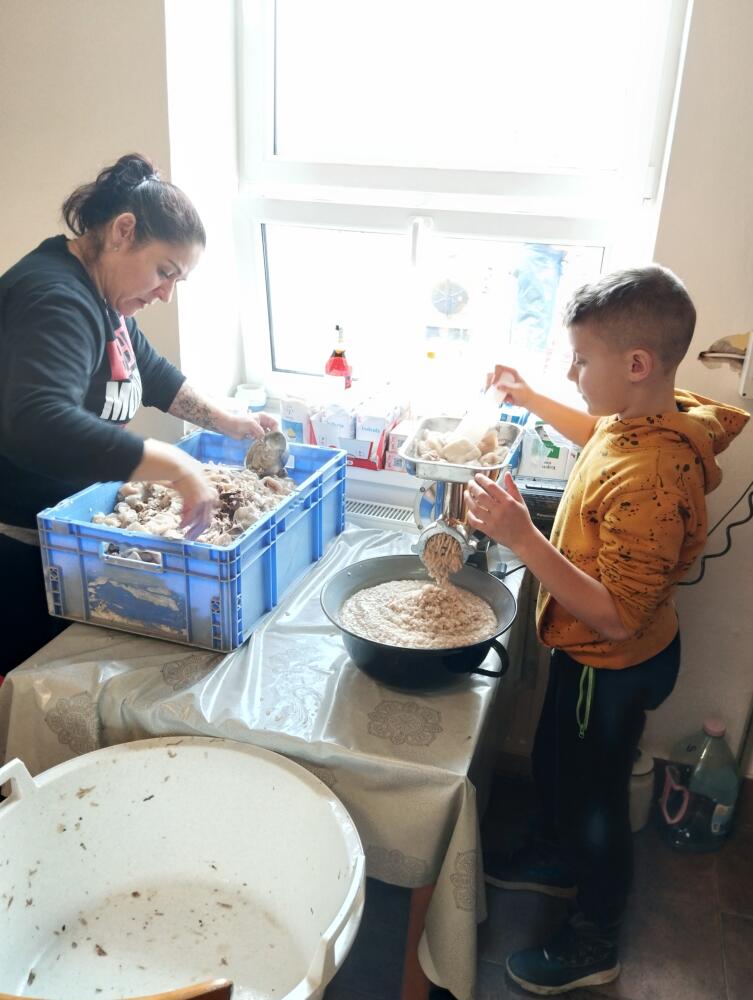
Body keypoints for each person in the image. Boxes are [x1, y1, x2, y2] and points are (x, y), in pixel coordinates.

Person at [465, 266, 749, 995]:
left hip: (611, 663)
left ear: (636, 364)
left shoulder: (655, 479)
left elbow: (618, 616)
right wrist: (531, 398)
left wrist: (522, 537)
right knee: (558, 765)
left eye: (581, 360)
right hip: (587, 655)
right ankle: (558, 859)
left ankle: (595, 937)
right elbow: (598, 434)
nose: (572, 372)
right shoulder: (637, 421)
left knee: (596, 801)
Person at [0, 153, 276, 676]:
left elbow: (146, 370)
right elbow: (36, 420)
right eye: (164, 272)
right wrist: (173, 465)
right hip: (20, 551)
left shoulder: (103, 293)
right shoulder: (54, 300)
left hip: (69, 538)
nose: (165, 294)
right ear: (122, 232)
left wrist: (227, 420)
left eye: (177, 281)